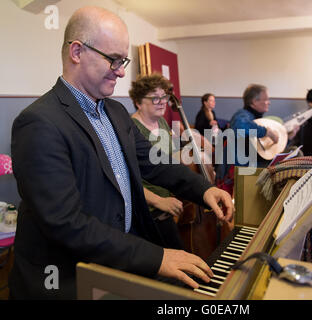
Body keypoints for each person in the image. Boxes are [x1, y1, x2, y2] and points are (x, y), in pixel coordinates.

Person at [9, 6, 233, 300]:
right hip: (68, 277)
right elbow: (66, 224)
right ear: (77, 52)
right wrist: (158, 258)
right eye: (114, 60)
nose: (122, 71)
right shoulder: (39, 123)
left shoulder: (114, 111)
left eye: (123, 60)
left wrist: (204, 190)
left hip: (117, 257)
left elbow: (155, 163)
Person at [129, 73, 185, 250]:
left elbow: (170, 159)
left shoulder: (162, 123)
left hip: (167, 206)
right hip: (148, 212)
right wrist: (157, 201)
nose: (162, 102)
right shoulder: (131, 130)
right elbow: (127, 179)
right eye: (155, 98)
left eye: (164, 97)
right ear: (138, 102)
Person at [229, 84, 299, 168]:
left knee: (295, 152)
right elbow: (240, 125)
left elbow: (270, 150)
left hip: (256, 163)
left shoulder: (257, 120)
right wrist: (267, 132)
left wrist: (289, 137)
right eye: (266, 99)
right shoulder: (242, 115)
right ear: (255, 101)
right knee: (295, 156)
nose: (269, 102)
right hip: (243, 169)